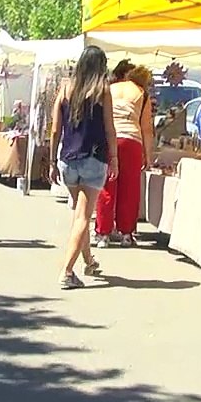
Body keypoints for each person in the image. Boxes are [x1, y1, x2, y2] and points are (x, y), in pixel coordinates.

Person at [49, 45, 118, 290]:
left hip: (68, 158)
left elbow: (55, 128)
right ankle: (67, 271)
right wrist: (114, 158)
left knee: (80, 213)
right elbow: (110, 128)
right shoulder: (102, 90)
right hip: (94, 157)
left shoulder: (66, 87)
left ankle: (88, 260)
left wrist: (51, 160)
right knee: (83, 216)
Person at [94, 63, 155, 248]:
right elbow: (147, 129)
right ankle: (127, 233)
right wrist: (148, 155)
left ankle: (103, 233)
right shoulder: (141, 93)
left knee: (106, 186)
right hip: (132, 140)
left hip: (109, 138)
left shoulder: (108, 89)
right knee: (130, 188)